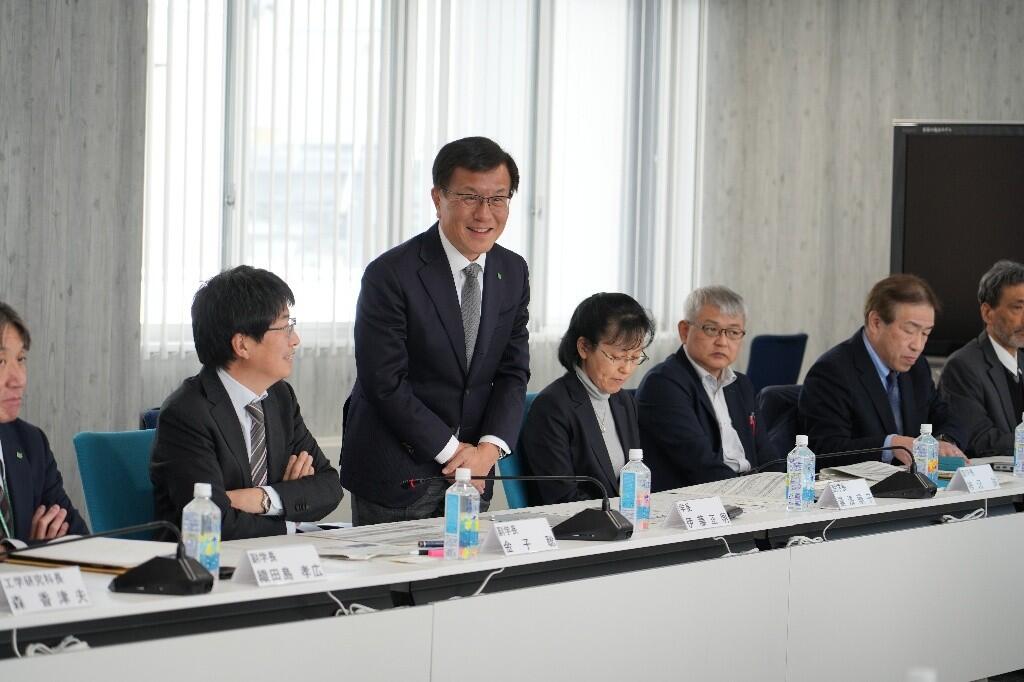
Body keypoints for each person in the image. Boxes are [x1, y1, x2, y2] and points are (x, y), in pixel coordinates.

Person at [340, 137, 530, 525]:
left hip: (475, 473)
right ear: (437, 198)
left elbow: (513, 372)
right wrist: (454, 453)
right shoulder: (390, 274)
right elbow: (384, 382)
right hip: (398, 472)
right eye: (469, 197)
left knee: (468, 564)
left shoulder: (512, 271)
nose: (484, 213)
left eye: (498, 198)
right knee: (393, 567)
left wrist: (488, 451)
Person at [150, 266, 343, 540]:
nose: (295, 340)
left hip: (272, 556)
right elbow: (211, 521)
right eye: (285, 327)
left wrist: (263, 498)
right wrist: (288, 520)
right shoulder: (187, 413)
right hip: (209, 560)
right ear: (242, 345)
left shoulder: (279, 397)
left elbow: (329, 487)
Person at [800, 274, 967, 467]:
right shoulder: (832, 371)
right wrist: (891, 445)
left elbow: (948, 417)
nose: (918, 345)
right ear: (876, 322)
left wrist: (943, 441)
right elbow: (825, 450)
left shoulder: (917, 367)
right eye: (909, 331)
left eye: (926, 333)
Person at [637, 286, 776, 491]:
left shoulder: (741, 384)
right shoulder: (662, 384)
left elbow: (767, 456)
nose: (722, 342)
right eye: (711, 329)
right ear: (684, 331)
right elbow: (700, 467)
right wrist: (754, 493)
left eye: (733, 332)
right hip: (700, 497)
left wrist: (781, 487)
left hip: (748, 493)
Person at [520, 293, 654, 505]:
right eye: (617, 357)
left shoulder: (623, 401)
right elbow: (562, 498)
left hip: (622, 518)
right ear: (584, 347)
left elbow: (634, 478)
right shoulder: (552, 407)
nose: (627, 369)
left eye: (635, 357)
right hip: (576, 522)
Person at [0, 302, 88, 544]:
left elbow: (80, 538)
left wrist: (33, 554)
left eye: (21, 359)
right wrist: (26, 553)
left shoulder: (30, 443)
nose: (18, 379)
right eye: (1, 362)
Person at [939, 260, 1024, 456]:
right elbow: (979, 439)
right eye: (1017, 308)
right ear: (987, 313)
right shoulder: (962, 366)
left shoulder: (1021, 361)